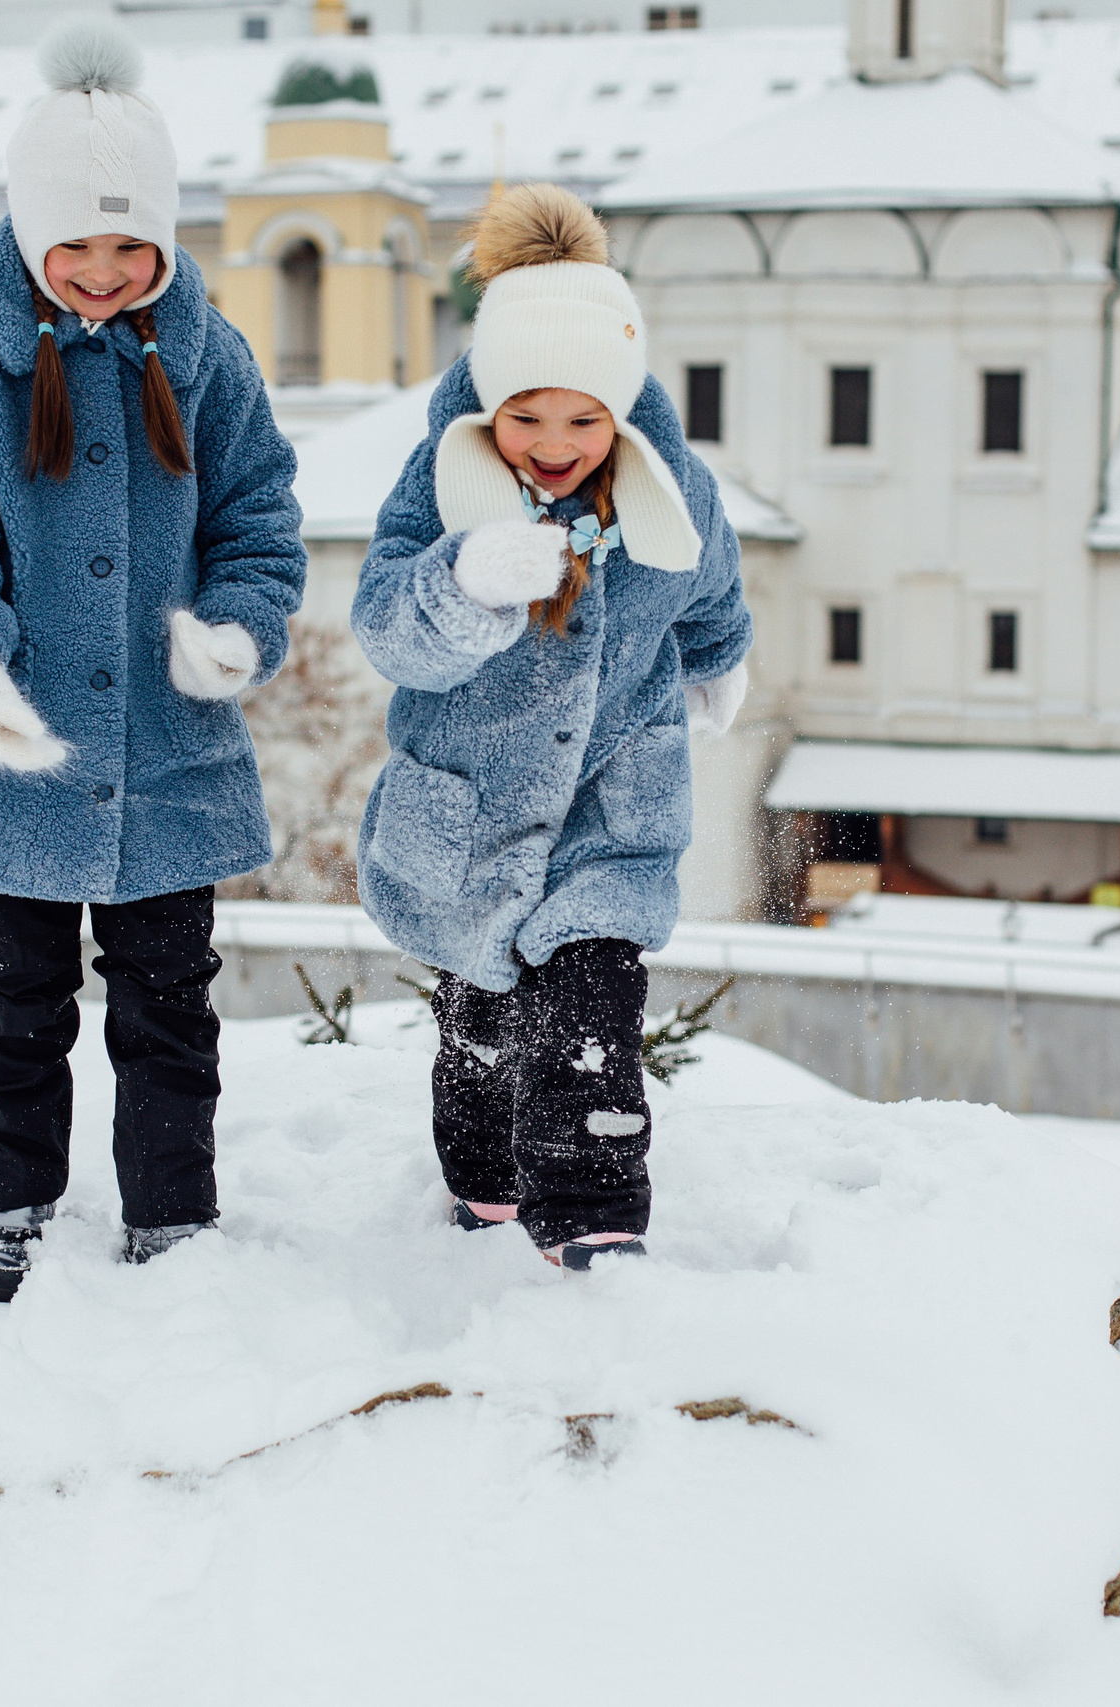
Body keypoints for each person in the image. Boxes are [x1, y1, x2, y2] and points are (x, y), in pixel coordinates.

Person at [0, 20, 305, 1299]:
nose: (106, 270)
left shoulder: (209, 355)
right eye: (78, 244)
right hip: (15, 752)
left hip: (169, 753)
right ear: (27, 233)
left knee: (169, 1004)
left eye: (133, 244)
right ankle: (6, 1202)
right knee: (13, 1002)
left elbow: (259, 517)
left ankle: (172, 1211)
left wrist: (240, 625)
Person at [350, 185, 752, 1269]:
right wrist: (463, 583)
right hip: (469, 815)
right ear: (488, 406)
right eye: (526, 418)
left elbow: (709, 583)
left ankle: (592, 1216)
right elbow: (385, 627)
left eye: (584, 420)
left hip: (611, 808)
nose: (554, 443)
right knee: (478, 1032)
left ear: (620, 413)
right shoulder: (440, 483)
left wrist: (718, 660)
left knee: (589, 1017)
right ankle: (481, 1185)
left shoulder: (676, 491)